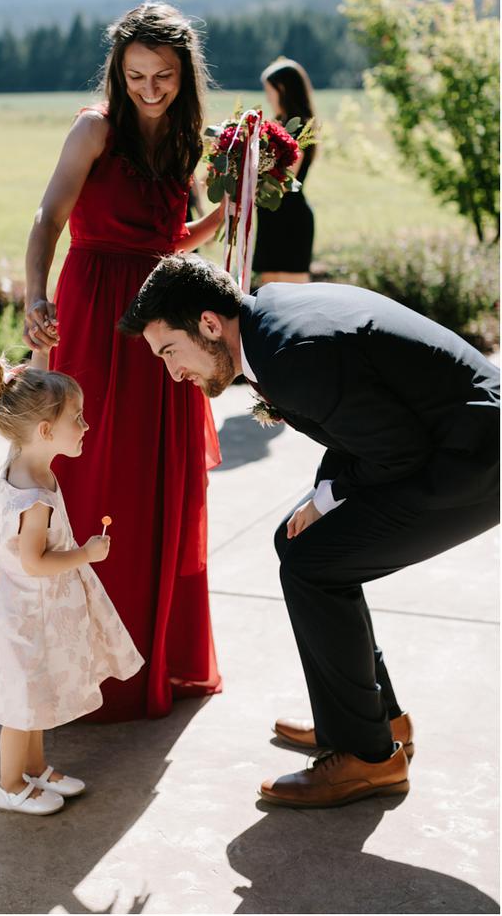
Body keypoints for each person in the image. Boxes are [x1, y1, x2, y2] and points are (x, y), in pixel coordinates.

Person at [119, 253, 499, 806]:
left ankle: (369, 758)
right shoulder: (269, 317)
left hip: (474, 461)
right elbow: (358, 424)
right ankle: (375, 720)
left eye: (170, 352)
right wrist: (324, 496)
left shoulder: (290, 355)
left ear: (208, 324)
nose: (174, 373)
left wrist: (330, 496)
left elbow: (398, 451)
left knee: (313, 564)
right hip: (447, 440)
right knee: (299, 544)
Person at [22, 1, 226, 723]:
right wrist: (35, 294)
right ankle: (76, 662)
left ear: (183, 75)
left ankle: (148, 657)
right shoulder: (94, 129)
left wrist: (230, 211)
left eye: (162, 76)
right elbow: (49, 217)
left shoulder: (185, 139)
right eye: (136, 75)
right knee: (90, 465)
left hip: (160, 315)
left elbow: (168, 238)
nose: (149, 88)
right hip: (93, 308)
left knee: (154, 474)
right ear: (118, 71)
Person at [0, 361, 142, 816]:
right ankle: (9, 786)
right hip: (23, 614)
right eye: (77, 418)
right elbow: (34, 562)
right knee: (19, 707)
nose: (86, 426)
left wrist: (40, 362)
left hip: (27, 607)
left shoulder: (25, 460)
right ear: (45, 430)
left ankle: (36, 768)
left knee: (36, 695)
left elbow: (32, 407)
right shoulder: (35, 500)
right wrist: (86, 553)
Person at [253, 57, 319, 285]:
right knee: (270, 291)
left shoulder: (299, 128)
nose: (267, 97)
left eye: (268, 91)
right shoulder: (276, 124)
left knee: (294, 292)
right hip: (271, 217)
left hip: (290, 218)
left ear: (281, 89)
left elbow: (284, 178)